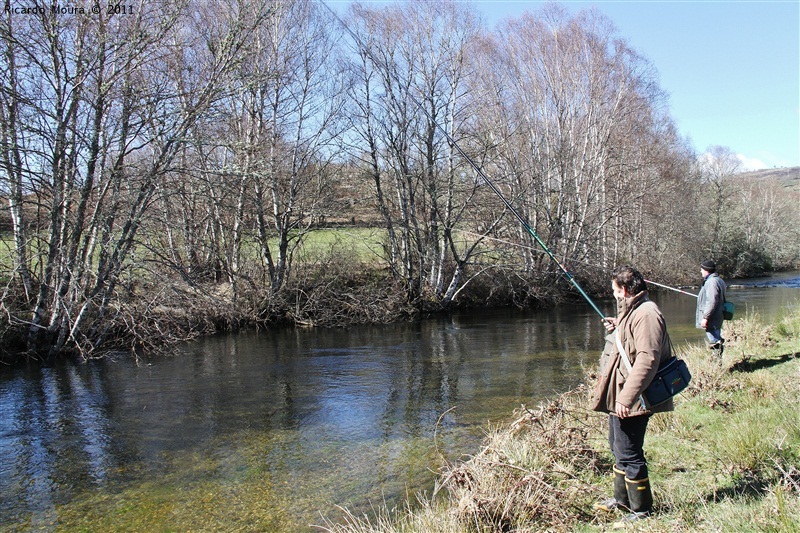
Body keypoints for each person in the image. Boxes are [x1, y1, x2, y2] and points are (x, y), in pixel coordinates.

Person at [591, 265, 674, 526]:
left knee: (629, 452)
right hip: (623, 395)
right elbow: (633, 341)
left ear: (625, 290)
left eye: (615, 290)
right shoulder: (633, 311)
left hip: (636, 397)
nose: (613, 294)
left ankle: (641, 510)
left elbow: (647, 359)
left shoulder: (647, 314)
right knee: (617, 447)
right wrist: (618, 326)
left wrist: (626, 399)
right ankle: (622, 500)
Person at [695, 259, 726, 359]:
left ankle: (716, 364)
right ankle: (717, 362)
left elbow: (712, 301)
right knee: (716, 339)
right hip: (718, 316)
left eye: (701, 269)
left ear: (706, 270)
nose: (701, 271)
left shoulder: (711, 282)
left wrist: (705, 317)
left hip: (712, 318)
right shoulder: (718, 280)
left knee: (714, 341)